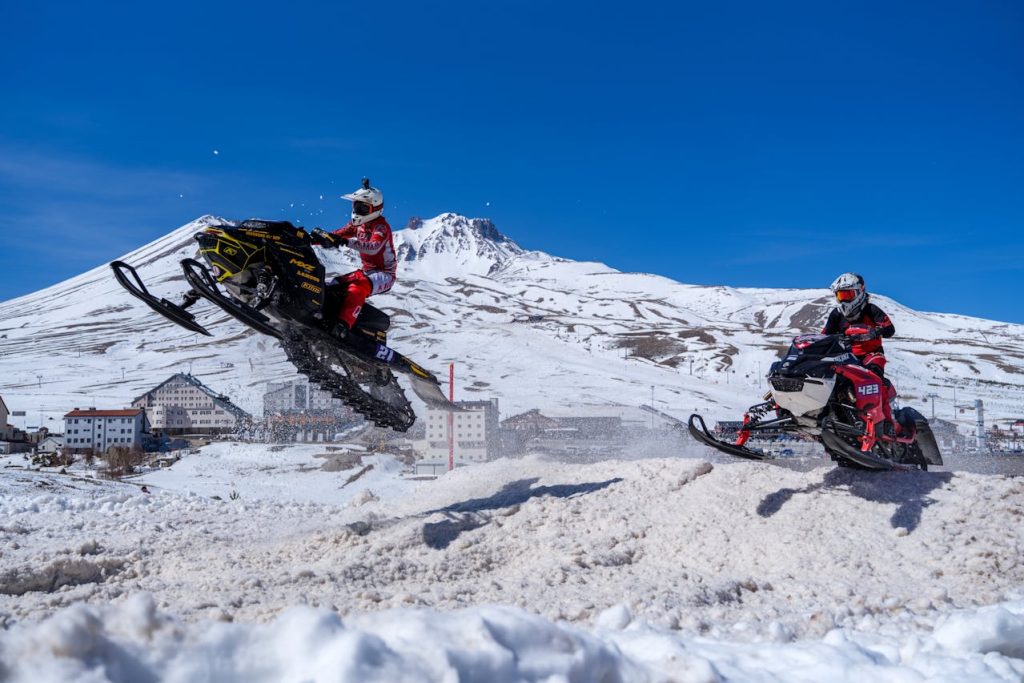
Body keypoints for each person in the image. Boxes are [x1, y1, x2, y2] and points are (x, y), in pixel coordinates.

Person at [309, 179, 397, 338]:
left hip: (385, 274)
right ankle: (323, 316)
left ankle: (342, 327)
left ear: (375, 209)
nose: (358, 211)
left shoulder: (381, 227)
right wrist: (311, 239)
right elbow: (337, 234)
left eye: (363, 208)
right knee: (334, 284)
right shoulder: (357, 225)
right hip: (366, 272)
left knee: (358, 287)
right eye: (356, 206)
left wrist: (346, 242)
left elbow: (373, 248)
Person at [821, 272, 894, 379]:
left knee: (874, 373)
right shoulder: (836, 314)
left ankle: (877, 392)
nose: (844, 300)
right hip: (844, 355)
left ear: (859, 292)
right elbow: (824, 336)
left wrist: (876, 332)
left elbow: (890, 329)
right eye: (841, 295)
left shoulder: (871, 310)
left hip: (870, 355)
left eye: (848, 295)